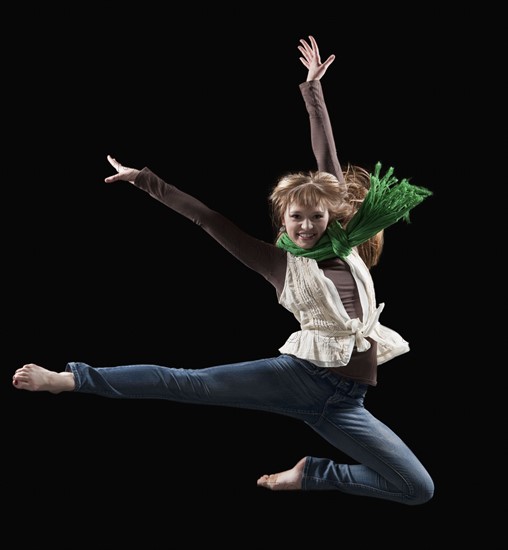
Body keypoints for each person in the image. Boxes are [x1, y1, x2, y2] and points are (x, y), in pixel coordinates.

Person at [12, 36, 434, 504]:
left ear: (329, 216)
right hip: (301, 376)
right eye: (297, 217)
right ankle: (69, 379)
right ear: (284, 219)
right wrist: (145, 181)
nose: (308, 225)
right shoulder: (280, 263)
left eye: (316, 216)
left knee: (417, 489)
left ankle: (312, 474)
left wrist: (313, 91)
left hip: (346, 404)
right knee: (186, 383)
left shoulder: (349, 244)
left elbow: (326, 161)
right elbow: (206, 218)